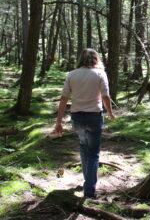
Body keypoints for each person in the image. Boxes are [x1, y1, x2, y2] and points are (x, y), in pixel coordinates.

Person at [55, 48, 116, 198]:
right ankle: (89, 190)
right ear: (96, 59)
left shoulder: (72, 74)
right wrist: (110, 112)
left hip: (77, 118)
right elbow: (106, 96)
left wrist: (59, 122)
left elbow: (64, 99)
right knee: (93, 153)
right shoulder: (100, 74)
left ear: (80, 59)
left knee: (84, 146)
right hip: (94, 117)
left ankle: (87, 180)